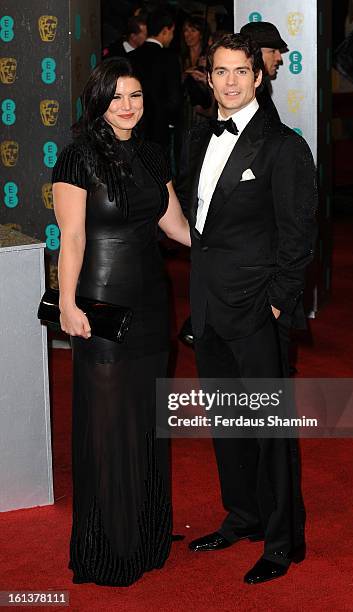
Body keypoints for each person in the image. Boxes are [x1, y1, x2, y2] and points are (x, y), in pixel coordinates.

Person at [176, 34, 317, 584]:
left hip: (258, 310)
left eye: (241, 71)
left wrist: (279, 305)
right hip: (209, 306)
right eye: (220, 71)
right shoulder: (196, 137)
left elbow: (298, 234)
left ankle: (283, 542)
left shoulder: (284, 147)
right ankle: (243, 517)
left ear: (259, 78)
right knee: (227, 423)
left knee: (269, 429)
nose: (230, 81)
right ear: (207, 78)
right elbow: (198, 225)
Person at [52, 57, 190, 586]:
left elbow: (173, 223)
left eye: (135, 96)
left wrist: (225, 246)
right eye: (117, 98)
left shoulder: (154, 154)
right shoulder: (77, 158)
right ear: (99, 102)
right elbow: (74, 239)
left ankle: (146, 535)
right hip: (102, 302)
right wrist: (68, 303)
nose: (128, 106)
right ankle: (109, 549)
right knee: (110, 425)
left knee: (146, 421)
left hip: (153, 302)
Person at [128, 9, 182, 154]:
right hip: (160, 132)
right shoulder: (169, 58)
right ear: (166, 30)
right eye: (172, 32)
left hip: (132, 129)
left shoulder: (130, 57)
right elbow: (174, 100)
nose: (172, 36)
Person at [240, 21, 288, 121]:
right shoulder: (242, 90)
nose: (279, 57)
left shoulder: (260, 84)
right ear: (255, 53)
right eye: (273, 51)